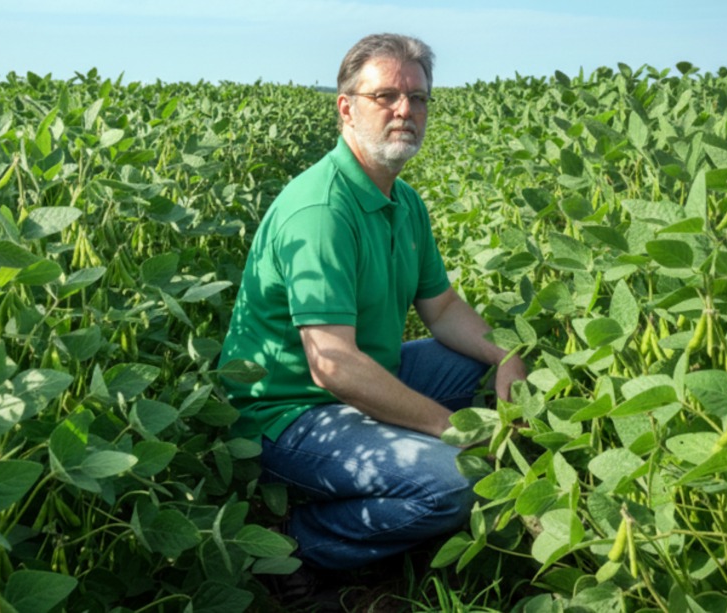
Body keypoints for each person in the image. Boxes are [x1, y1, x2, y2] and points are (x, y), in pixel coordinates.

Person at [217, 33, 528, 572]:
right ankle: (296, 543)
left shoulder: (404, 201)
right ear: (346, 108)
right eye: (385, 96)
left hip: (367, 374)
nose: (405, 110)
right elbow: (333, 365)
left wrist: (507, 355)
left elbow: (442, 309)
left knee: (483, 369)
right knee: (455, 482)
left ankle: (397, 470)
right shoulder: (320, 212)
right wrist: (451, 429)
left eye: (418, 97)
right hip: (288, 414)